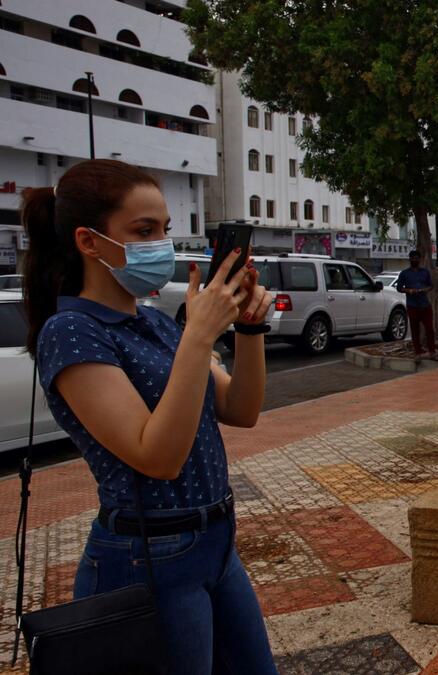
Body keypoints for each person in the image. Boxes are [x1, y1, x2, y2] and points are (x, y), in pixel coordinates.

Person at [20, 160, 278, 674]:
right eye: (143, 231)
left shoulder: (155, 323)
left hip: (216, 542)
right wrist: (200, 335)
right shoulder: (71, 332)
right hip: (147, 557)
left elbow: (241, 409)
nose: (160, 243)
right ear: (89, 242)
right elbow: (156, 456)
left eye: (163, 229)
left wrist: (248, 331)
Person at [398, 250, 437, 361]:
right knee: (415, 330)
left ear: (420, 259)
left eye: (416, 258)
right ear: (409, 259)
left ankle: (432, 352)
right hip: (412, 305)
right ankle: (418, 353)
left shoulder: (425, 272)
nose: (414, 259)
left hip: (425, 304)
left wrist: (424, 290)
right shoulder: (404, 273)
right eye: (412, 258)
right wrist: (409, 290)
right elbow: (399, 288)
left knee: (430, 329)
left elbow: (431, 286)